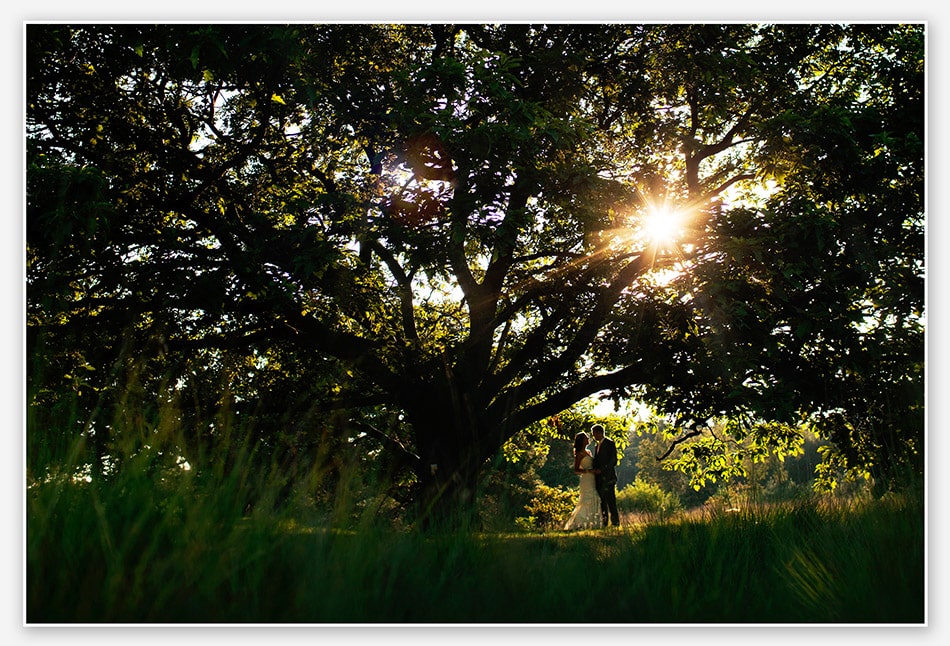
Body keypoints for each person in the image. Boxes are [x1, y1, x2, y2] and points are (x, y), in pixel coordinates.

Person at [563, 432, 601, 530]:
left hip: (593, 478)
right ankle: (578, 523)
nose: (588, 439)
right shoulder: (579, 454)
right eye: (586, 438)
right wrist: (589, 471)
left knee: (594, 497)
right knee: (586, 500)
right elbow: (576, 470)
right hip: (586, 478)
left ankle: (591, 523)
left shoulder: (588, 452)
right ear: (582, 441)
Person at [591, 424, 620, 527]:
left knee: (611, 500)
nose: (593, 436)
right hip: (599, 478)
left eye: (594, 434)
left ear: (599, 432)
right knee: (602, 501)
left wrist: (602, 470)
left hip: (608, 477)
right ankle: (605, 522)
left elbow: (613, 460)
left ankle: (615, 522)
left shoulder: (609, 443)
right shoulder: (596, 446)